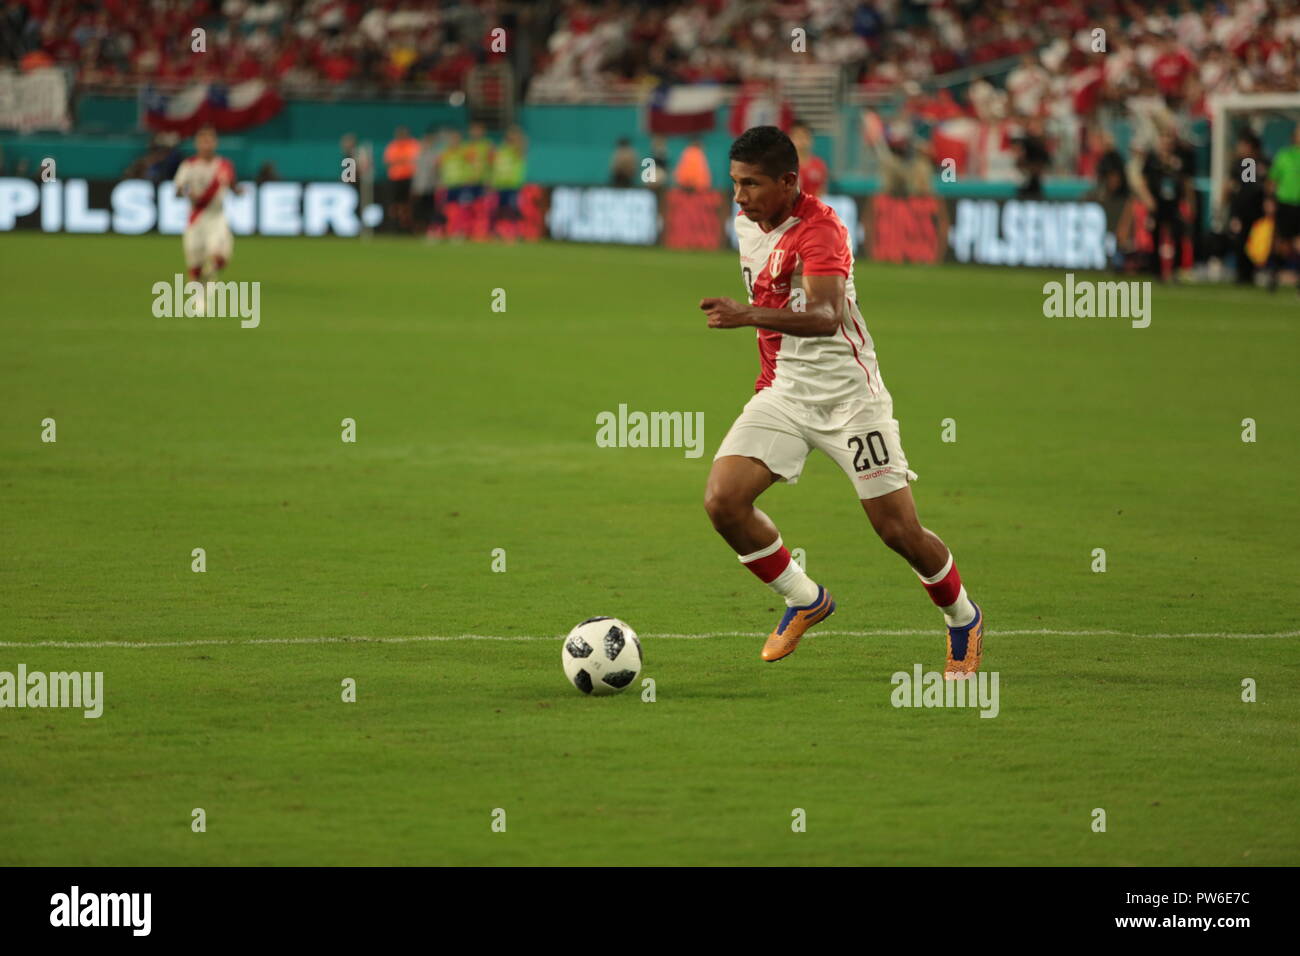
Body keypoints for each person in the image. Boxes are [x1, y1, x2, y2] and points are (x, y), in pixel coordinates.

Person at [699, 126, 983, 676]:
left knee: (897, 532)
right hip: (783, 395)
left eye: (751, 184)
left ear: (788, 181)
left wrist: (747, 315)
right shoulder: (747, 223)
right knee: (723, 502)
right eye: (734, 184)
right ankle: (805, 599)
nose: (739, 197)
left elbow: (827, 319)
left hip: (852, 405)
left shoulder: (821, 232)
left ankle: (963, 617)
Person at [173, 125, 243, 313]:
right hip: (196, 220)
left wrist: (238, 191)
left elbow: (232, 185)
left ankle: (209, 276)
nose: (206, 144)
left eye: (210, 140)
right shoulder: (189, 165)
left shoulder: (224, 165)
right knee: (194, 264)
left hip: (217, 218)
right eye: (203, 140)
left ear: (215, 142)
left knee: (219, 256)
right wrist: (188, 192)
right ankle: (199, 298)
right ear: (197, 143)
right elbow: (179, 189)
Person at [1265, 124, 1300, 294]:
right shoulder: (1284, 155)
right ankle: (1274, 274)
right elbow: (1273, 179)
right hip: (1285, 204)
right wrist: (1270, 200)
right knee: (1283, 244)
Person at [489, 125, 527, 240]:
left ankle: (515, 232)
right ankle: (500, 231)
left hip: (513, 185)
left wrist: (518, 136)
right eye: (509, 136)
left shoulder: (517, 149)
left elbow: (523, 146)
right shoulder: (501, 149)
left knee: (512, 209)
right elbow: (495, 166)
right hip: (500, 185)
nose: (510, 138)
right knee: (500, 210)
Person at [383, 126, 420, 232]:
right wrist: (403, 161)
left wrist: (399, 161)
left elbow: (414, 160)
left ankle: (407, 224)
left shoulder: (413, 144)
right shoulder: (393, 145)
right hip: (395, 179)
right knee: (395, 204)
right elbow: (389, 162)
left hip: (409, 178)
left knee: (409, 204)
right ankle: (395, 224)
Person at [789, 120, 828, 197]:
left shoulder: (819, 165)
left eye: (804, 136)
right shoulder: (785, 166)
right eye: (797, 137)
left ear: (810, 139)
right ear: (790, 139)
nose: (801, 141)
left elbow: (821, 192)